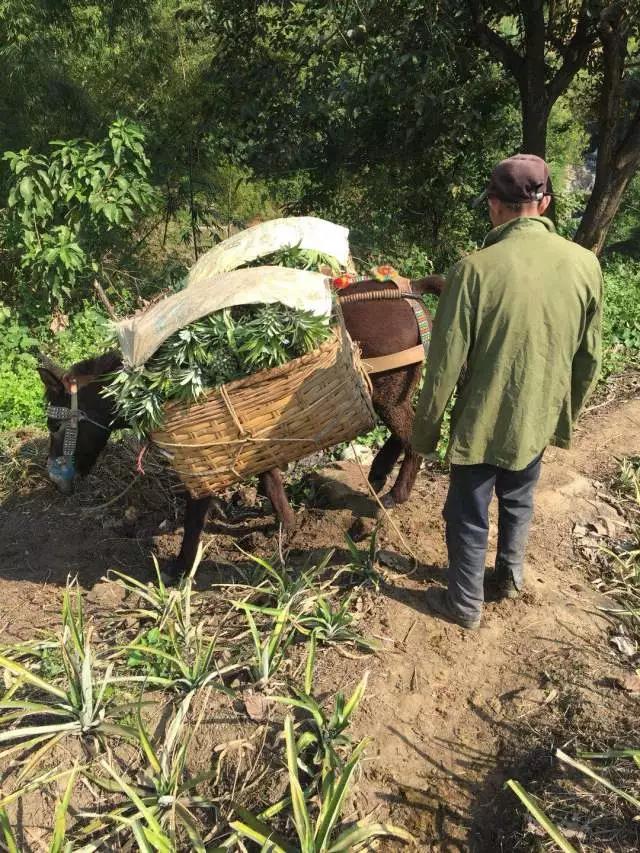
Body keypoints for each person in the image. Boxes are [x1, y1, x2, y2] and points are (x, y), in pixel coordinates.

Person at [411, 154, 603, 630]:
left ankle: (463, 604)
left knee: (467, 512)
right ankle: (510, 577)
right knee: (519, 497)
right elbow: (589, 359)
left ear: (494, 206)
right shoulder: (585, 265)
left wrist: (424, 436)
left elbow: (443, 366)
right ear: (546, 203)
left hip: (481, 421)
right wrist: (563, 414)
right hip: (537, 417)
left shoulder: (472, 270)